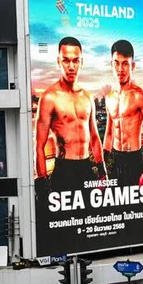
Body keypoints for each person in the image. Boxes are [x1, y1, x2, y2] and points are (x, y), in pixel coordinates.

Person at [34, 37, 106, 203]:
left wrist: (102, 171)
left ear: (82, 62)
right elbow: (39, 145)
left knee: (92, 215)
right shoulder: (49, 98)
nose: (71, 66)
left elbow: (94, 137)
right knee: (62, 218)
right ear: (58, 62)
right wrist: (42, 184)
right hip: (64, 170)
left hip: (86, 168)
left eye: (76, 61)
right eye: (66, 60)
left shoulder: (87, 97)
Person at [103, 40, 143, 189]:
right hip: (115, 160)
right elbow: (109, 133)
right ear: (111, 64)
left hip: (134, 159)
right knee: (114, 201)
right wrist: (103, 163)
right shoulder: (109, 98)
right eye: (116, 63)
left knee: (139, 202)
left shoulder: (139, 96)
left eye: (125, 63)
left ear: (132, 66)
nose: (120, 69)